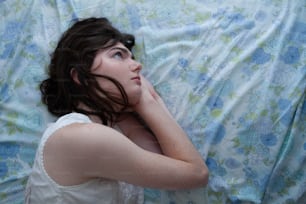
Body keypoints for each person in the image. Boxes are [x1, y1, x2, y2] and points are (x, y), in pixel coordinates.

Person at [25, 17, 208, 204]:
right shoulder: (82, 137)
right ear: (80, 76)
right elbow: (196, 174)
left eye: (132, 57)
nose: (137, 66)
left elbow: (171, 164)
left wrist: (147, 101)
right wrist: (146, 99)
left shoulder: (117, 127)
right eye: (118, 55)